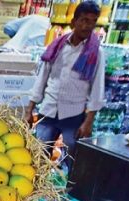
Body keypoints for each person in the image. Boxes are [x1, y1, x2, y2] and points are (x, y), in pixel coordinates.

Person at [25, 1, 105, 170]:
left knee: (72, 159)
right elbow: (42, 78)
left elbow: (97, 88)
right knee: (38, 155)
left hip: (73, 115)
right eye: (83, 20)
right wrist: (29, 109)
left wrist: (88, 121)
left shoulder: (95, 53)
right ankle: (36, 189)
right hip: (48, 110)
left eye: (92, 21)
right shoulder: (56, 47)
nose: (87, 25)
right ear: (73, 22)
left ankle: (68, 192)